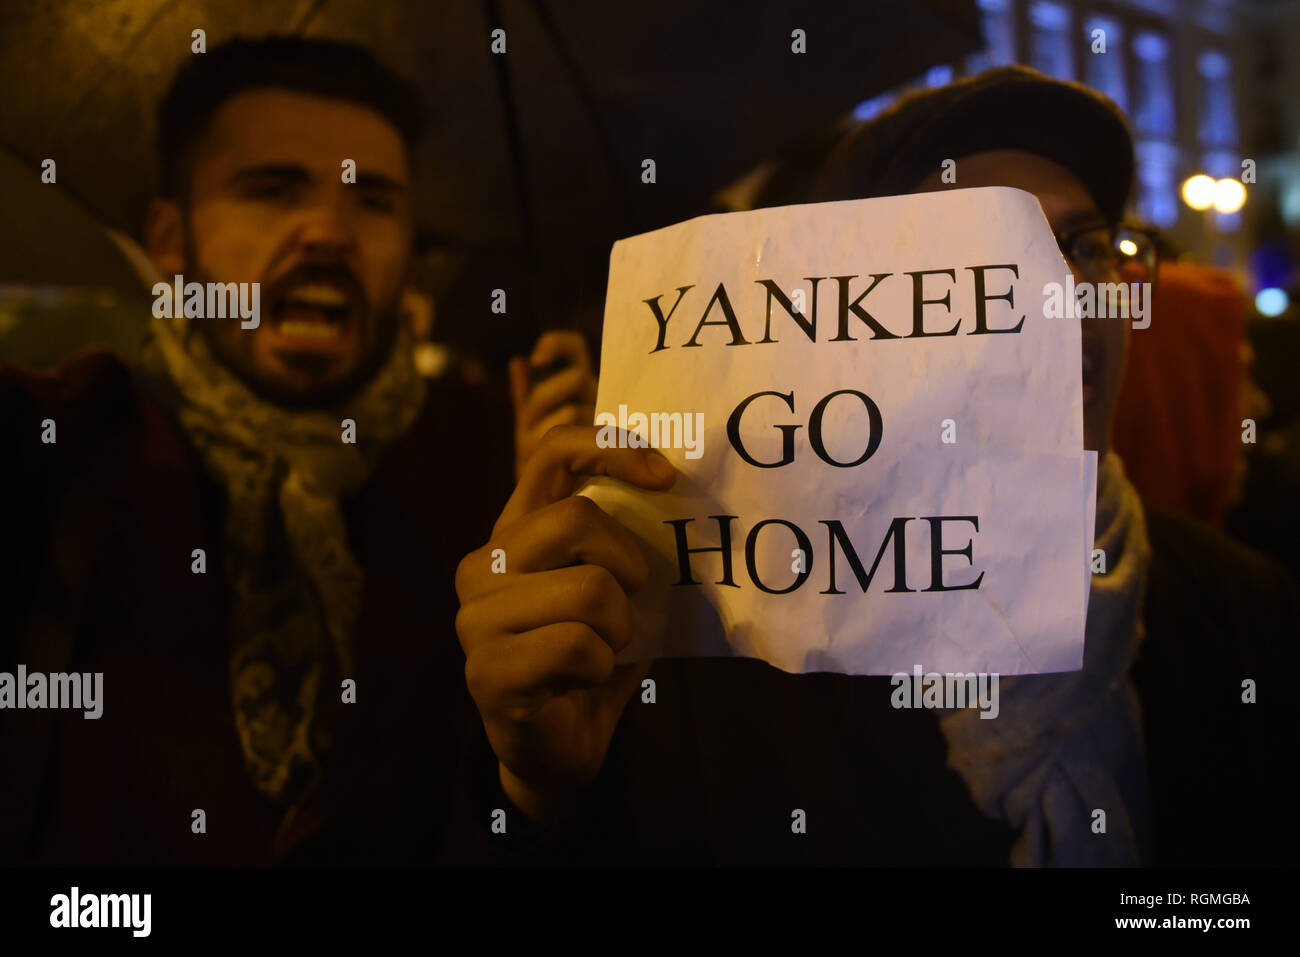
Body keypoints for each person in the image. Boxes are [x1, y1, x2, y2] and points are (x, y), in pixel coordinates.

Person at [450, 66, 1298, 866]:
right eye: (977, 253)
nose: (1053, 291)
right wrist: (539, 799)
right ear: (844, 328)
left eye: (1084, 244)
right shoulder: (712, 652)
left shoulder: (1244, 609)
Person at [0, 35, 594, 865]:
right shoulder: (63, 439)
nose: (327, 232)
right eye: (272, 190)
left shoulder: (500, 461)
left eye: (375, 201)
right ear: (170, 238)